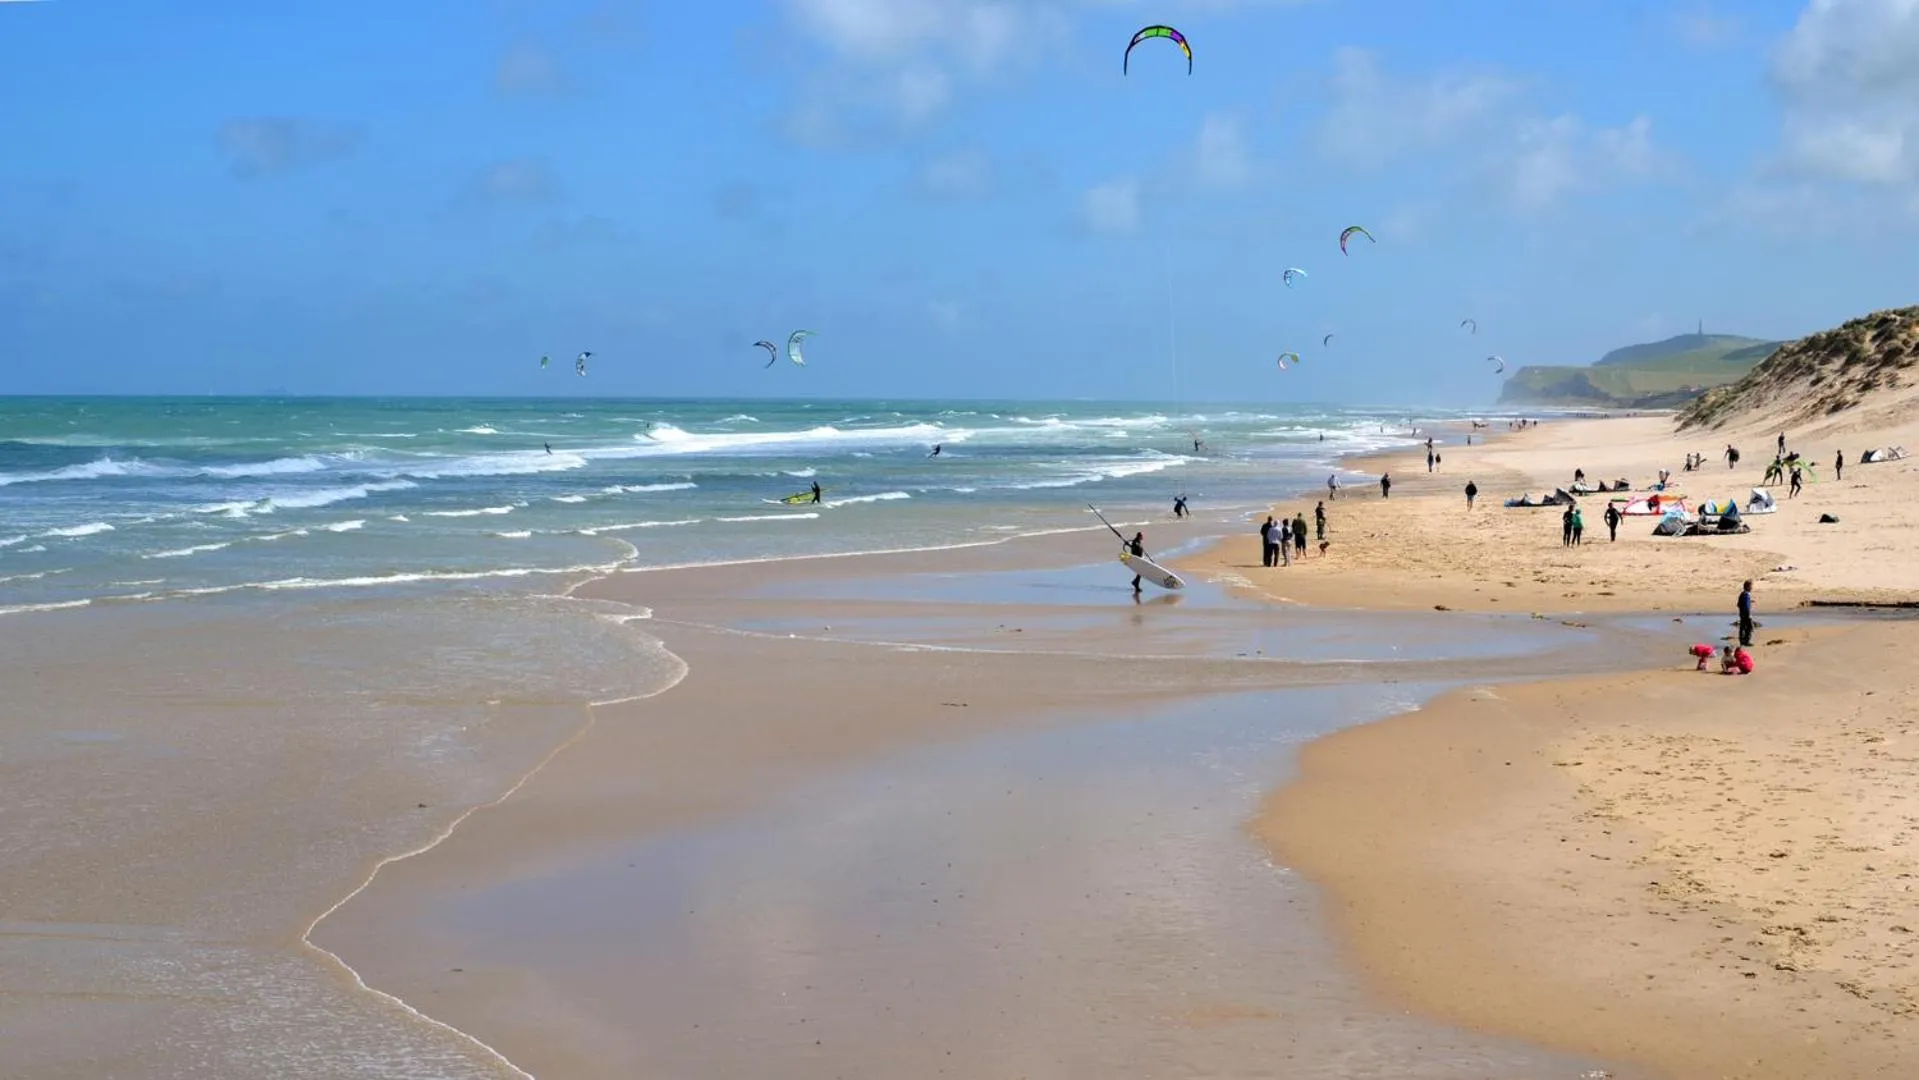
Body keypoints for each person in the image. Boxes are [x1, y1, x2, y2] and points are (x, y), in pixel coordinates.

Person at [1737, 580, 1754, 647]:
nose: (1752, 588)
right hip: (1746, 614)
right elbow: (1746, 606)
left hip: (1742, 614)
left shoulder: (1742, 594)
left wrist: (1750, 601)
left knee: (1743, 627)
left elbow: (1738, 604)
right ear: (1747, 587)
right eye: (1751, 586)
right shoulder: (1746, 595)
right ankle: (1746, 641)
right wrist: (1748, 614)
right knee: (1750, 627)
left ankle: (1742, 641)